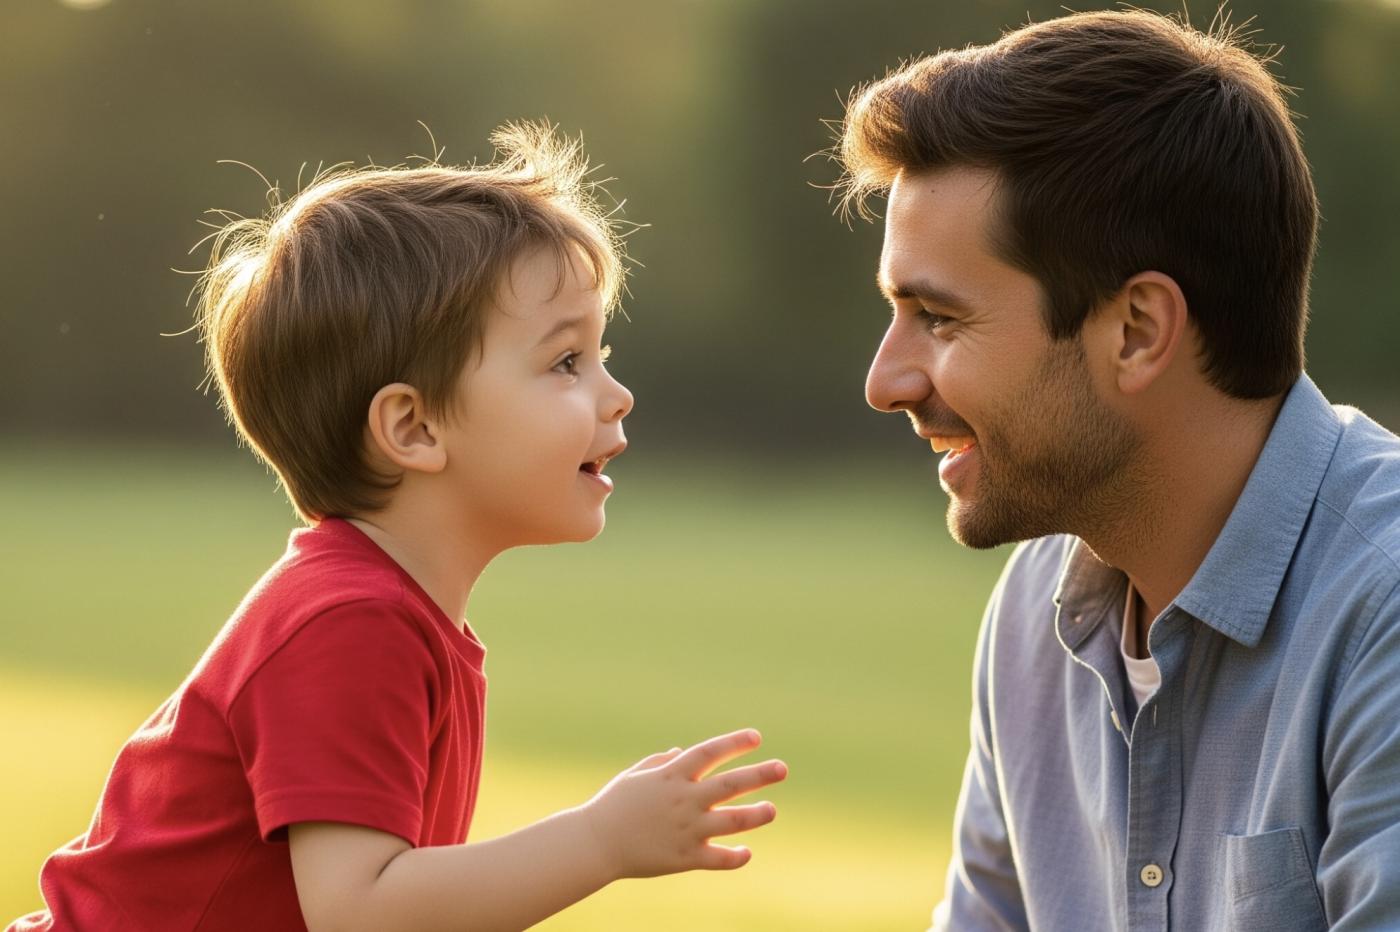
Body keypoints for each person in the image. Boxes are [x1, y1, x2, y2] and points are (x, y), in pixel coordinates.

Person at [10, 123, 787, 932]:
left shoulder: (389, 611)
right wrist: (599, 840)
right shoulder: (351, 621)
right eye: (565, 362)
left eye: (601, 354)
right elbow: (361, 911)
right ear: (413, 429)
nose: (615, 393)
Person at [833, 9, 1400, 931]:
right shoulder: (1033, 618)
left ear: (1137, 331)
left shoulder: (1384, 607)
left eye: (938, 319)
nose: (884, 381)